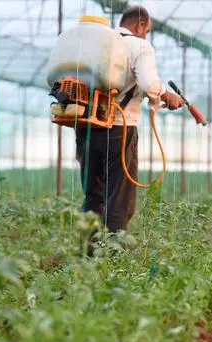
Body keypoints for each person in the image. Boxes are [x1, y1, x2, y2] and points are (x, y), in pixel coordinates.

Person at [74, 6, 184, 256]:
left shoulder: (99, 43)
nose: (146, 36)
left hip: (86, 127)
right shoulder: (139, 47)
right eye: (147, 31)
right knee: (119, 199)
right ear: (141, 25)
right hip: (119, 130)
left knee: (93, 195)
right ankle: (112, 261)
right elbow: (148, 83)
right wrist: (167, 96)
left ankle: (88, 256)